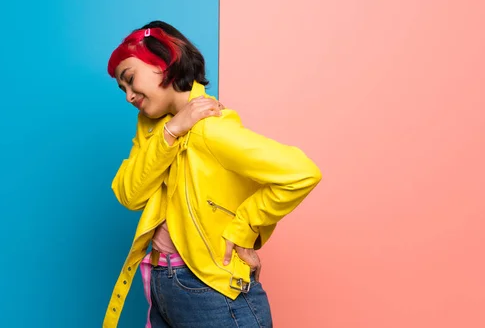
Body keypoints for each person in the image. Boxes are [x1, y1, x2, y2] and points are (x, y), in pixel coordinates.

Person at [102, 20, 321, 328]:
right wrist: (172, 130)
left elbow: (301, 172)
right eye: (121, 89)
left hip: (209, 290)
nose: (128, 96)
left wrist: (244, 230)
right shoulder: (156, 131)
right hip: (163, 282)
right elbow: (129, 194)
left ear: (164, 63)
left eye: (130, 79)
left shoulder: (209, 128)